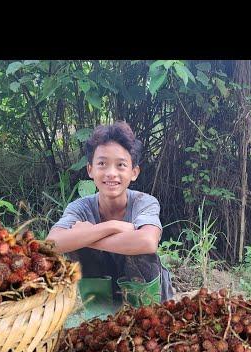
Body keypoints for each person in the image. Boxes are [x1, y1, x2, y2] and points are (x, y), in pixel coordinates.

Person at [46, 121, 174, 308]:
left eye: (121, 165)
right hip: (105, 303)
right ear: (90, 169)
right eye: (102, 164)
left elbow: (147, 242)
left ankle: (146, 312)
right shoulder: (80, 208)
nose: (111, 173)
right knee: (76, 240)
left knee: (136, 246)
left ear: (134, 172)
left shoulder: (144, 202)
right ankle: (101, 314)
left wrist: (88, 237)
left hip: (149, 305)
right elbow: (51, 245)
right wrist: (111, 226)